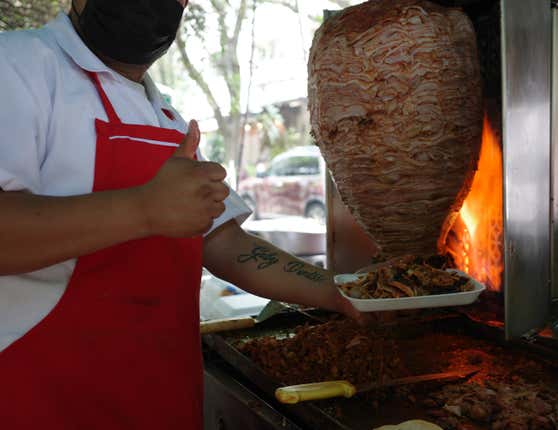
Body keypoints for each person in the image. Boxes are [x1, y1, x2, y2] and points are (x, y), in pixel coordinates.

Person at [0, 1, 360, 428]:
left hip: (160, 397)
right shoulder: (17, 64)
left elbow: (225, 244)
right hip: (44, 400)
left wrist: (344, 292)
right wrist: (144, 209)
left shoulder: (166, 117)